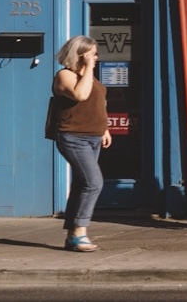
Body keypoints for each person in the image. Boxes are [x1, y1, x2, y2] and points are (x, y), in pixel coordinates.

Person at [49, 35, 112, 252]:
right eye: (91, 54)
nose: (96, 58)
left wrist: (104, 128)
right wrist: (86, 67)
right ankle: (79, 232)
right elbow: (81, 95)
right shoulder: (64, 75)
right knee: (94, 183)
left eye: (95, 54)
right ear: (79, 55)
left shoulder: (89, 77)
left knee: (81, 185)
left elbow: (97, 103)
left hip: (93, 136)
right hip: (73, 137)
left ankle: (70, 235)